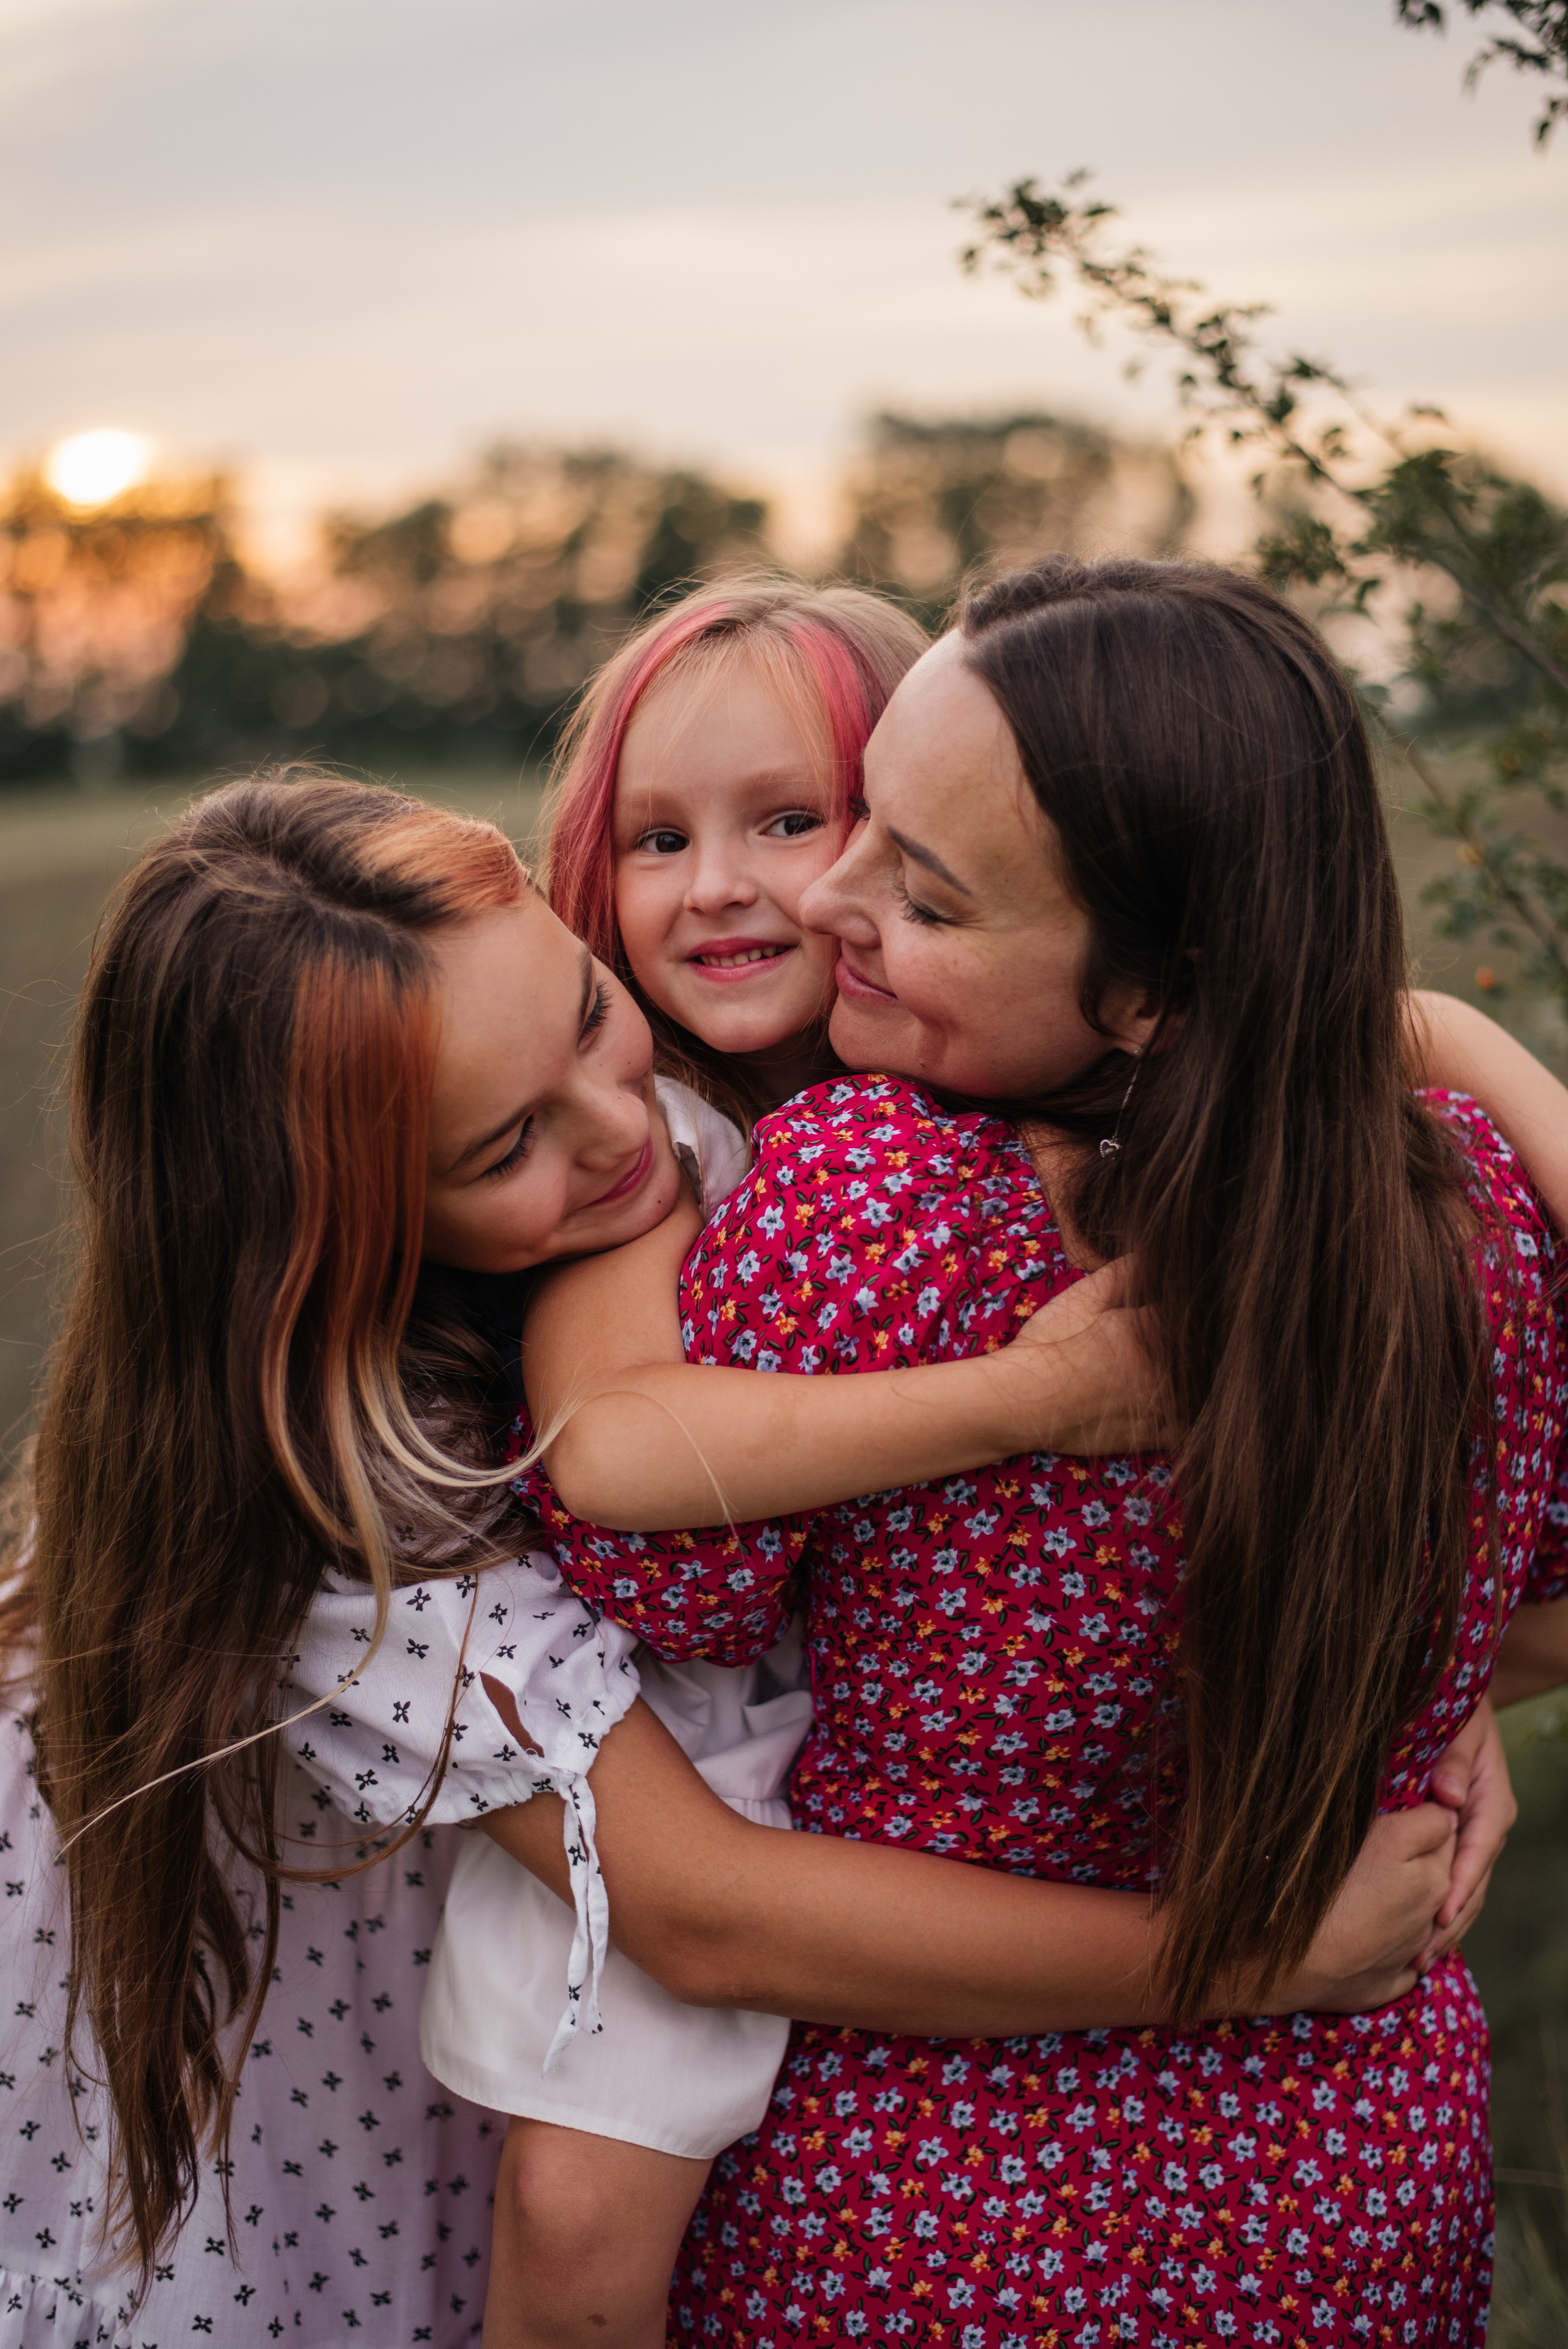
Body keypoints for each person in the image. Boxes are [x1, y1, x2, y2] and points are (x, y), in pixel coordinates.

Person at [0, 763, 1488, 2349]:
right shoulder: (341, 1495)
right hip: (289, 2140)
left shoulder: (696, 1135)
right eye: (507, 1143)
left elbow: (1260, 1019)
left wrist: (1437, 1693)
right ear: (328, 1225)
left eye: (585, 1013)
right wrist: (1255, 1951)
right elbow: (700, 1910)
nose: (619, 1121)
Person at [493, 555, 1568, 2347]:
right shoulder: (1460, 1199)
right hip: (1360, 2165)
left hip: (943, 2195)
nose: (818, 896)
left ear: (1153, 986)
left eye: (911, 882)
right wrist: (1428, 1680)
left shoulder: (873, 1195)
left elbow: (648, 1564)